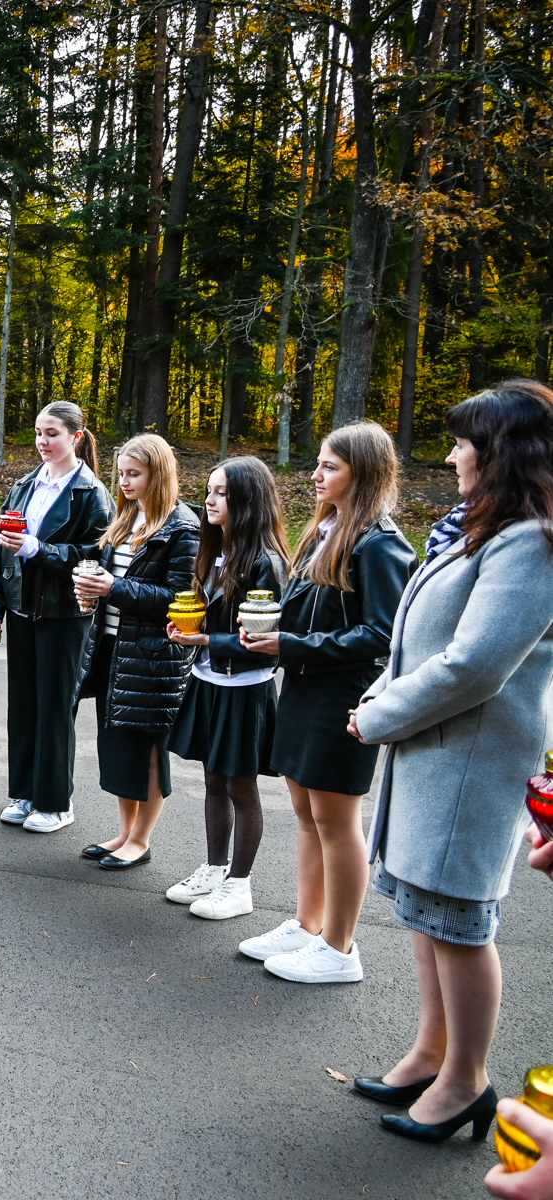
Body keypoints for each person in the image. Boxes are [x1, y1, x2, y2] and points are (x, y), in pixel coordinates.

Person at [349, 379, 553, 1144]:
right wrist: (377, 701)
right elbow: (416, 644)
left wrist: (380, 716)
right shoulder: (477, 529)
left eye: (464, 442)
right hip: (432, 747)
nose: (451, 454)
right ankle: (432, 1052)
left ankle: (466, 1080)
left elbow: (475, 665)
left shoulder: (529, 542)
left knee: (462, 920)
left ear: (499, 453)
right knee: (428, 913)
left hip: (470, 759)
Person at [237, 422, 415, 981]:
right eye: (318, 464)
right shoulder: (325, 531)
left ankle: (340, 949)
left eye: (330, 467)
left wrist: (292, 643)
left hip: (343, 696)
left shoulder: (381, 543)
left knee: (338, 822)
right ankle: (306, 924)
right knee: (306, 814)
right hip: (304, 685)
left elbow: (382, 636)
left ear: (361, 473)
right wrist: (269, 631)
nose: (315, 476)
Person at [164, 457, 289, 918]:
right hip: (209, 679)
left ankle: (240, 885)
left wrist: (205, 638)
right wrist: (187, 626)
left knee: (240, 785)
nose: (209, 500)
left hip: (245, 689)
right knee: (213, 778)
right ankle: (216, 869)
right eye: (209, 491)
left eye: (220, 493)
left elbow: (265, 644)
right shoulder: (215, 550)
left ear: (247, 500)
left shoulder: (265, 562)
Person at [0, 401, 112, 832]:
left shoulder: (91, 494)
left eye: (52, 434)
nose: (42, 442)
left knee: (55, 709)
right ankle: (24, 794)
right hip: (21, 612)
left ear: (76, 436)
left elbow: (96, 555)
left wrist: (40, 550)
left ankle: (56, 803)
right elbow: (1, 553)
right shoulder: (24, 485)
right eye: (38, 433)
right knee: (23, 708)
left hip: (64, 615)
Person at [71, 434, 198, 861]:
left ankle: (141, 841)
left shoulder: (182, 528)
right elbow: (112, 582)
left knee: (146, 749)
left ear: (157, 474)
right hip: (111, 647)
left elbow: (180, 599)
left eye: (134, 474)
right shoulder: (126, 519)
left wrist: (115, 587)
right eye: (121, 473)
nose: (124, 482)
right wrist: (91, 590)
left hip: (154, 656)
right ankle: (124, 834)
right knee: (117, 746)